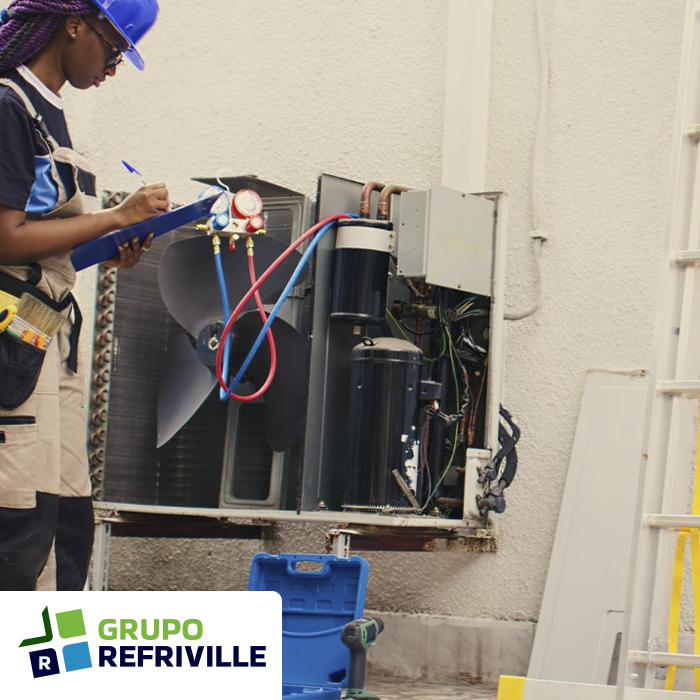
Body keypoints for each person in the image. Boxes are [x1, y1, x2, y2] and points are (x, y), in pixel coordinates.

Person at [0, 0, 168, 591]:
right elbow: (6, 235)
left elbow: (49, 241)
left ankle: (48, 673)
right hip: (13, 340)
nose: (114, 66)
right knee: (19, 517)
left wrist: (113, 241)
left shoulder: (51, 113)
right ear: (74, 24)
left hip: (48, 335)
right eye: (114, 46)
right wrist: (114, 215)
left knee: (66, 515)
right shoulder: (8, 104)